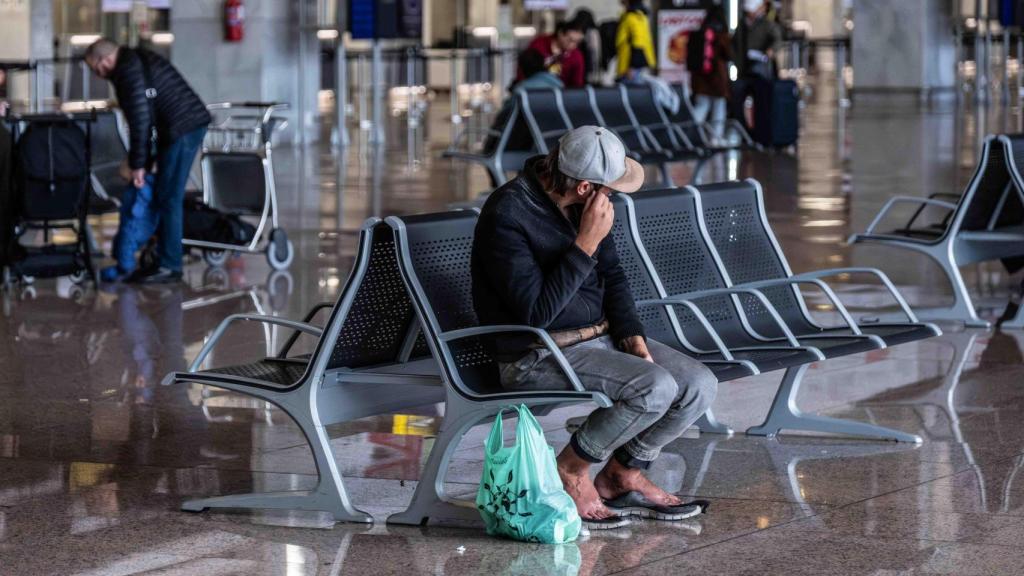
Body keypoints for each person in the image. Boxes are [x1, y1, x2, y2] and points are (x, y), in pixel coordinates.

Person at [471, 126, 717, 529]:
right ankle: (569, 469)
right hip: (537, 352)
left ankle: (622, 472)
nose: (613, 196)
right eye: (610, 189)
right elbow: (535, 315)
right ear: (586, 187)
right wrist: (585, 243)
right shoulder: (507, 215)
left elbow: (614, 277)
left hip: (597, 338)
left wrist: (631, 337)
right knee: (653, 389)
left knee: (696, 385)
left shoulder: (583, 205)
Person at [85, 38, 210, 284]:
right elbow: (148, 115)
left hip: (182, 128)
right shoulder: (133, 60)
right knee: (165, 194)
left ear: (105, 59)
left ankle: (170, 265)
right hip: (181, 127)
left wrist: (138, 165)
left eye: (95, 68)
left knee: (169, 197)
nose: (97, 75)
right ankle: (164, 257)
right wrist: (147, 159)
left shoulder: (127, 72)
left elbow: (140, 121)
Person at [100, 163, 158, 282]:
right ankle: (121, 265)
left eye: (124, 178)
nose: (123, 181)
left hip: (134, 226)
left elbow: (140, 205)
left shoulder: (141, 187)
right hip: (135, 224)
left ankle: (125, 269)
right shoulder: (141, 186)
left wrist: (132, 214)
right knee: (120, 242)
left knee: (125, 246)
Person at [730, 0, 781, 130]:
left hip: (760, 70)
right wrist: (735, 60)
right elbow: (734, 44)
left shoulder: (767, 24)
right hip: (743, 69)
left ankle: (761, 129)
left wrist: (771, 51)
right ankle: (744, 130)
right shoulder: (742, 24)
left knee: (762, 101)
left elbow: (777, 40)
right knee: (738, 99)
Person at [686, 5, 734, 143]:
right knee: (719, 108)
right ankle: (715, 138)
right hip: (717, 79)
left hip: (700, 79)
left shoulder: (698, 33)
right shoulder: (721, 35)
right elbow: (729, 55)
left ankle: (690, 136)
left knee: (701, 107)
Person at [519, 21, 586, 89]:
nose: (573, 45)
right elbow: (523, 68)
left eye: (577, 42)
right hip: (533, 89)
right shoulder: (539, 44)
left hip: (561, 94)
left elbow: (577, 84)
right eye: (570, 40)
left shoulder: (576, 56)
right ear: (560, 34)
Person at [615, 0, 656, 85]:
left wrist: (632, 67)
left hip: (631, 68)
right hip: (628, 65)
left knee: (630, 94)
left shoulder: (633, 17)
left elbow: (638, 42)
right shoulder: (636, 16)